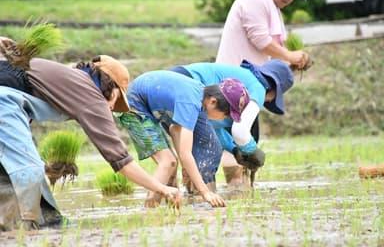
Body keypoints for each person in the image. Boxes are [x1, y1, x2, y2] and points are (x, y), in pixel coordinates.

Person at [0, 37, 181, 231]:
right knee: (28, 171)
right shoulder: (92, 97)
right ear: (111, 90)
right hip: (4, 99)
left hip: (8, 98)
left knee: (10, 170)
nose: (112, 109)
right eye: (116, 102)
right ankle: (26, 227)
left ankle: (40, 223)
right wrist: (161, 188)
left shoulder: (67, 80)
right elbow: (121, 161)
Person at [114, 70, 250, 208]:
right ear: (213, 101)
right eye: (226, 114)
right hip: (134, 106)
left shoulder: (198, 95)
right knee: (168, 162)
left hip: (144, 102)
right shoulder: (190, 102)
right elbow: (186, 153)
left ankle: (170, 209)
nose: (224, 119)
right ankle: (150, 210)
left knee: (172, 164)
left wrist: (186, 165)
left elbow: (174, 129)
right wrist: (205, 192)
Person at [215, 0, 309, 185]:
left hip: (249, 85)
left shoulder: (272, 8)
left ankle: (242, 192)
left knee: (246, 139)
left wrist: (292, 60)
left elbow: (270, 51)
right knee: (235, 141)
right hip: (232, 86)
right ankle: (236, 190)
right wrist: (290, 56)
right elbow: (261, 40)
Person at [169, 59, 294, 186]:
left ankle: (180, 198)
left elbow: (213, 125)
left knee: (179, 158)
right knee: (210, 149)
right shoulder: (259, 88)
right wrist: (252, 150)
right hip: (187, 84)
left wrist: (233, 149)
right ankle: (205, 200)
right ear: (273, 91)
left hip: (171, 82)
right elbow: (240, 131)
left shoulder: (245, 78)